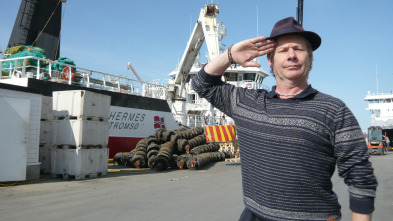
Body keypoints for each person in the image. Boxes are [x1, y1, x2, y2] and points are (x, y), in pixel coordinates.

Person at [192, 17, 377, 221]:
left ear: (310, 58)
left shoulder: (333, 110)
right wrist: (230, 55)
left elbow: (360, 175)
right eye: (283, 50)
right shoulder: (245, 102)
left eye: (298, 49)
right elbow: (202, 84)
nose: (291, 55)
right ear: (270, 61)